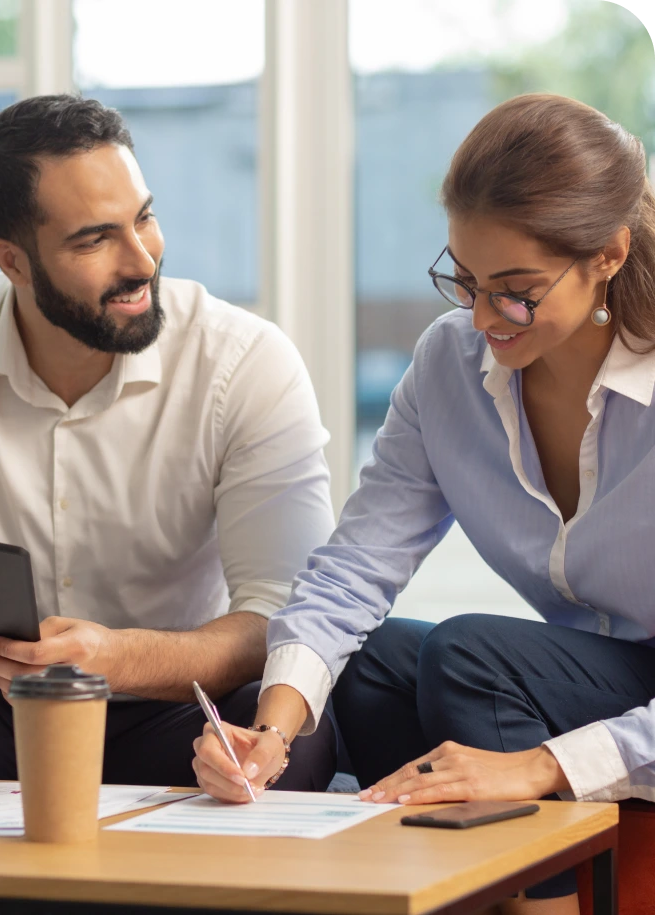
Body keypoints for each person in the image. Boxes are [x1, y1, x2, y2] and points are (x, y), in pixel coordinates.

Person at [193, 91, 655, 913]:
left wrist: (544, 765)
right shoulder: (449, 365)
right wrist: (272, 730)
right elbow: (354, 572)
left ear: (609, 255)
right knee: (375, 665)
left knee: (472, 655)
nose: (481, 317)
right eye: (463, 279)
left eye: (514, 290)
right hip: (585, 672)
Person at [0, 94, 338, 790]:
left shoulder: (244, 360)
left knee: (295, 735)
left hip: (171, 715)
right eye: (93, 239)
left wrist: (118, 656)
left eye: (145, 218)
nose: (142, 260)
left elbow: (284, 610)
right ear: (13, 261)